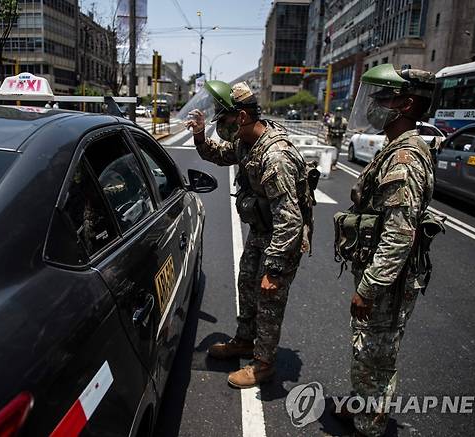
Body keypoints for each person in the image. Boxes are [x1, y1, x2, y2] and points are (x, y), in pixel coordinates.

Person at [332, 64, 444, 436]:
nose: (374, 104)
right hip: (379, 274)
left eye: (383, 97)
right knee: (365, 347)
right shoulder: (396, 148)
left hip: (387, 282)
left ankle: (369, 424)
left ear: (406, 104)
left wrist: (368, 286)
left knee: (377, 354)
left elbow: (399, 235)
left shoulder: (405, 158)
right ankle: (360, 405)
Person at [185, 81, 316, 388]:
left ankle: (264, 363)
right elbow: (218, 154)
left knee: (268, 299)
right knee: (247, 286)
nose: (221, 125)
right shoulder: (247, 141)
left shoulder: (275, 156)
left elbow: (290, 219)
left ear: (241, 117)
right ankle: (245, 340)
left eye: (224, 119)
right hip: (261, 231)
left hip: (282, 238)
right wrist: (200, 134)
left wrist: (274, 269)